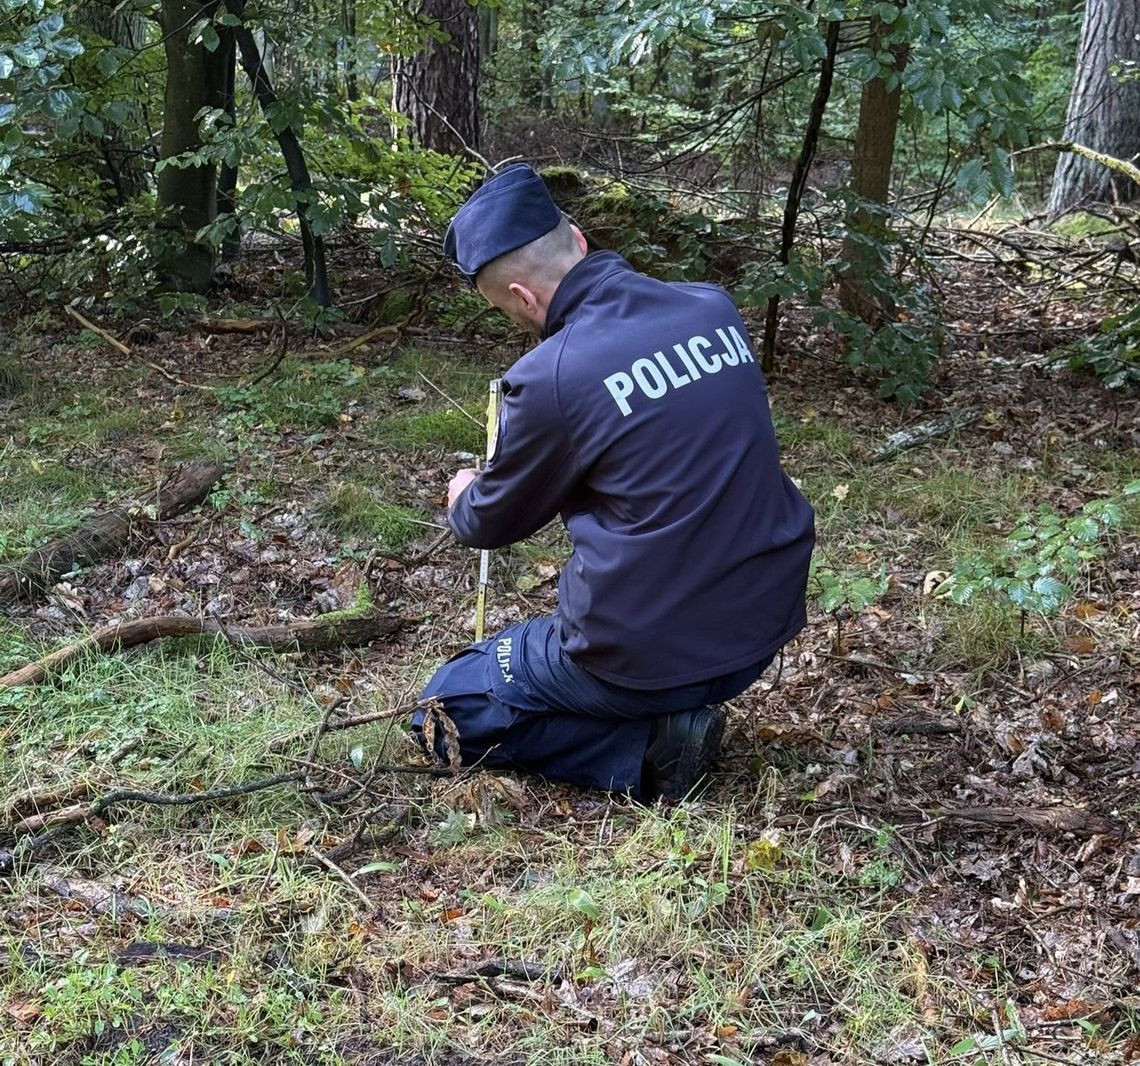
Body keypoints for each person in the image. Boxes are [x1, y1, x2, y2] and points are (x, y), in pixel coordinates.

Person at [413, 163, 815, 801]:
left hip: (647, 654)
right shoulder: (712, 307)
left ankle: (653, 750)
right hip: (759, 629)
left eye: (503, 309)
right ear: (577, 238)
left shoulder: (552, 376)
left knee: (445, 706)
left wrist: (465, 494)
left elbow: (489, 521)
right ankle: (663, 717)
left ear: (521, 297)